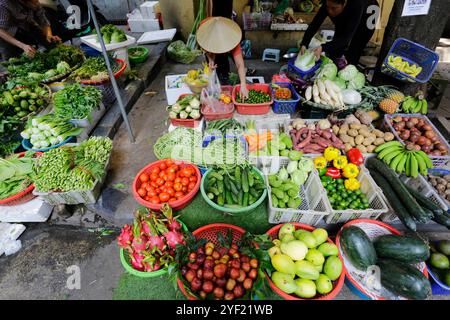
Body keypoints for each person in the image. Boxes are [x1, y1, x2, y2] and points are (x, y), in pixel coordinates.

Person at [300, 0, 379, 66]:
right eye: (328, 7)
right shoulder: (329, 3)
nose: (330, 11)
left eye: (334, 8)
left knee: (355, 49)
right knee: (336, 48)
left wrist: (322, 47)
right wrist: (304, 43)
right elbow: (315, 24)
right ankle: (334, 65)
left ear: (344, 4)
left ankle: (350, 69)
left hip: (369, 14)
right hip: (349, 13)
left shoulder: (356, 5)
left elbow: (345, 38)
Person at [196, 17, 249, 99]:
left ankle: (224, 81)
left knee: (223, 74)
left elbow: (239, 64)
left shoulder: (232, 38)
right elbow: (206, 50)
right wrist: (211, 60)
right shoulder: (204, 33)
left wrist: (243, 84)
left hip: (227, 48)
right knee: (212, 72)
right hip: (209, 42)